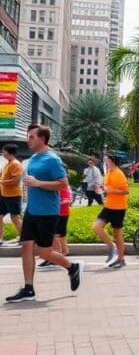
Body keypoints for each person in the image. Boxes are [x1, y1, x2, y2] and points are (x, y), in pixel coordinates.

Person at [5, 125, 83, 303]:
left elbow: (63, 184)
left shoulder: (52, 159)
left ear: (42, 138)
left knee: (45, 253)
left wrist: (38, 183)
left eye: (31, 137)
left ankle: (73, 267)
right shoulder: (33, 158)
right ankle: (28, 289)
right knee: (26, 246)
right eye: (28, 136)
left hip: (47, 213)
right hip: (32, 211)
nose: (28, 140)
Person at [92, 154, 129, 269]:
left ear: (112, 161)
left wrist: (110, 190)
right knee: (96, 227)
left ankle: (121, 259)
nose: (105, 161)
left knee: (117, 234)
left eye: (107, 159)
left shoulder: (118, 173)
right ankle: (111, 246)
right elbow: (107, 187)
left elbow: (126, 191)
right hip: (108, 206)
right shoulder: (108, 172)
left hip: (118, 208)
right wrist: (101, 188)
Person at [40, 185, 71, 268]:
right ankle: (63, 252)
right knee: (59, 235)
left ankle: (56, 256)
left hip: (62, 213)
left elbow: (67, 200)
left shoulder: (62, 186)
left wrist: (53, 202)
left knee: (55, 235)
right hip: (54, 213)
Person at [0, 144, 24, 244]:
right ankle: (0, 238)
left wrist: (1, 182)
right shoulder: (7, 164)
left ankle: (25, 238)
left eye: (4, 151)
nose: (2, 152)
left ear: (9, 152)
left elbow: (16, 181)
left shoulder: (15, 164)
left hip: (13, 196)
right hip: (4, 195)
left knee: (14, 218)